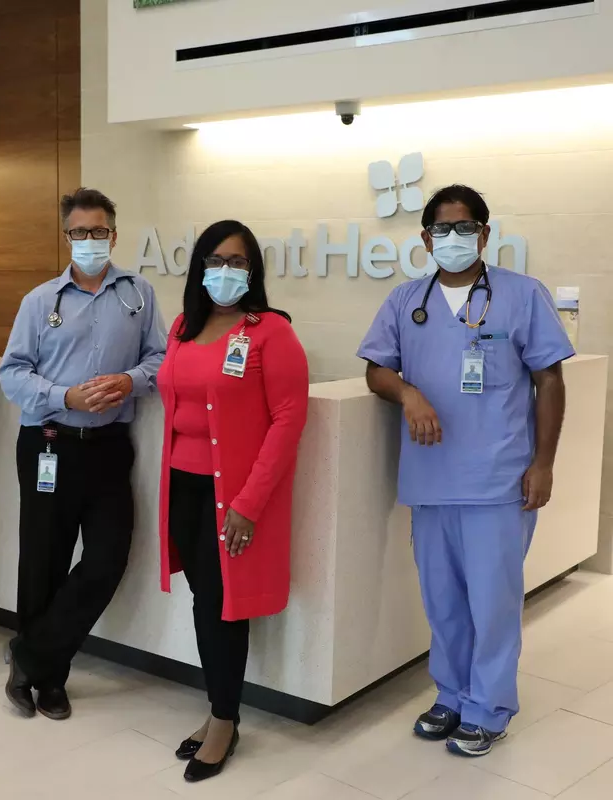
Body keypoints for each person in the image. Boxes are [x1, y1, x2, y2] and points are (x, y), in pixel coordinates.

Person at [358, 185, 574, 757]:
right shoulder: (407, 300)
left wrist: (544, 464)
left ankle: (489, 706)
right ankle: (451, 695)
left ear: (484, 233)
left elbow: (549, 380)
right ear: (425, 238)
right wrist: (408, 394)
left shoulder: (522, 295)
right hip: (431, 480)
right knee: (444, 600)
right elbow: (376, 370)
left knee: (493, 602)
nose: (454, 238)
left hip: (499, 480)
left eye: (466, 227)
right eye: (442, 229)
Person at [0, 188, 166, 721]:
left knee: (106, 558)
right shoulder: (39, 301)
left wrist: (130, 380)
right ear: (66, 236)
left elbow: (161, 360)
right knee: (43, 562)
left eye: (99, 231)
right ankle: (48, 681)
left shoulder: (137, 294)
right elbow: (12, 373)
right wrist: (63, 397)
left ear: (114, 235)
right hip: (50, 444)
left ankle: (29, 655)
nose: (90, 241)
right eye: (79, 232)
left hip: (110, 449)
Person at [157, 220, 309, 782]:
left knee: (224, 604)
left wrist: (248, 503)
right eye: (216, 260)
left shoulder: (270, 332)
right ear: (199, 267)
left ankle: (224, 720)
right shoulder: (182, 326)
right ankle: (219, 708)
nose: (226, 271)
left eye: (238, 262)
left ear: (254, 271)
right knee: (204, 600)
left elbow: (289, 420)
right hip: (182, 486)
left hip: (232, 498)